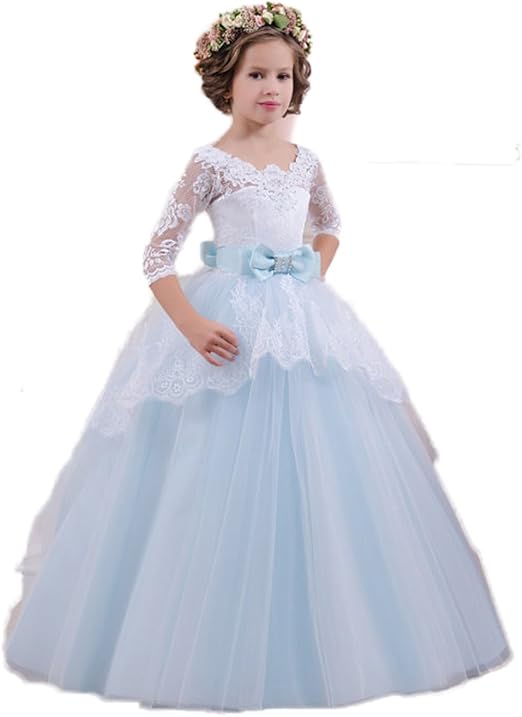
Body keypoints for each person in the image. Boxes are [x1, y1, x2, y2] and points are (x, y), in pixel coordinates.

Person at [3, 3, 513, 712]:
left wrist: (308, 272)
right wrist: (191, 325)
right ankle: (196, 642)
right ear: (227, 79)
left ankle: (320, 634)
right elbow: (157, 256)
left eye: (284, 76)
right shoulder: (210, 163)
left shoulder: (306, 162)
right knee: (206, 470)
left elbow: (330, 223)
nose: (272, 88)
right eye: (256, 75)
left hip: (301, 326)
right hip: (227, 327)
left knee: (324, 468)